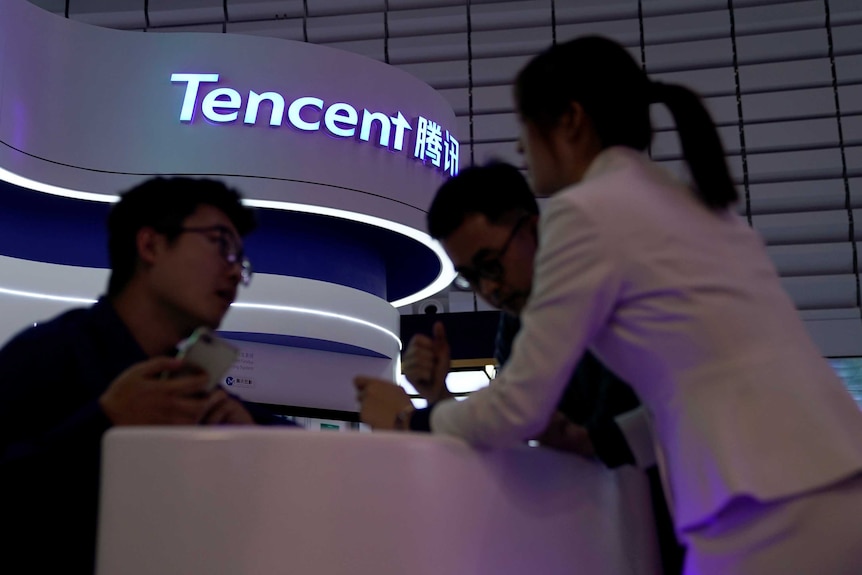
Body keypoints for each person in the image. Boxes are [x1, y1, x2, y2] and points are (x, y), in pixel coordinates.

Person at [356, 36, 862, 573]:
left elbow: (518, 407)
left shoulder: (588, 211)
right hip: (822, 474)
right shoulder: (682, 200)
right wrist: (593, 440)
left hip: (762, 500)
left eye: (527, 129)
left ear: (571, 121)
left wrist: (416, 422)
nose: (524, 152)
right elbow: (693, 381)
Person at [399, 162, 683, 573]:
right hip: (603, 526)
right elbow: (513, 425)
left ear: (533, 229)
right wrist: (439, 395)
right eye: (471, 279)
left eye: (491, 264)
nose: (489, 290)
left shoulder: (623, 274)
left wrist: (417, 418)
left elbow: (688, 406)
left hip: (698, 507)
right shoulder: (517, 321)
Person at [0, 177, 265, 575]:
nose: (234, 275)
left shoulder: (191, 383)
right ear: (150, 245)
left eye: (240, 262)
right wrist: (105, 422)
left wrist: (254, 441)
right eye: (220, 245)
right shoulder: (49, 355)